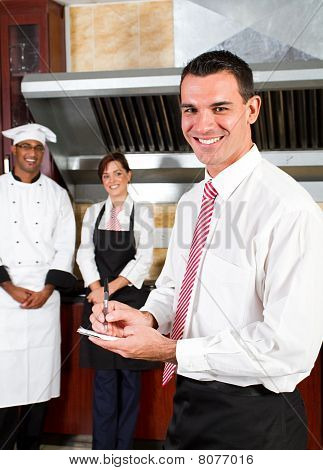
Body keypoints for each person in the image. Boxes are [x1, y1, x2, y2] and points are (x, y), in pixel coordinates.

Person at [88, 50, 323, 450]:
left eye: (220, 107)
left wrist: (170, 349)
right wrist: (144, 317)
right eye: (190, 109)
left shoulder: (289, 207)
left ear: (252, 108)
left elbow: (289, 346)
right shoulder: (193, 201)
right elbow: (175, 288)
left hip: (258, 419)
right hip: (188, 403)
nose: (202, 124)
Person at [0, 123, 76, 450]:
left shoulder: (58, 195)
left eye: (38, 148)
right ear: (13, 151)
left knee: (39, 383)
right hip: (5, 299)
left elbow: (65, 245)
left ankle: (30, 451)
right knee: (5, 382)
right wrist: (8, 286)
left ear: (43, 154)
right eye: (25, 147)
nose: (32, 153)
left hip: (46, 298)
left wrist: (47, 289)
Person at [76, 152, 156, 450]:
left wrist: (110, 289)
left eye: (117, 173)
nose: (112, 180)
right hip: (99, 305)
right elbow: (84, 253)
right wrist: (97, 289)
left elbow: (143, 258)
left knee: (130, 381)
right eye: (106, 175)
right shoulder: (94, 211)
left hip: (130, 302)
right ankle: (102, 453)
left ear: (128, 176)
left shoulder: (142, 212)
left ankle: (123, 452)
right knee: (105, 382)